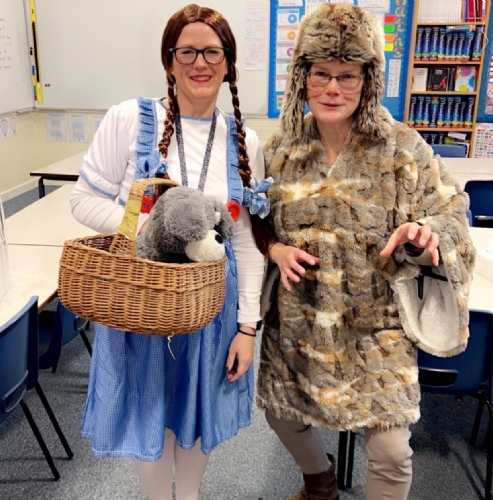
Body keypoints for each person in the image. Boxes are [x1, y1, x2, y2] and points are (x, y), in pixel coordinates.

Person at [255, 4, 476, 500]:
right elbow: (256, 222)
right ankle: (320, 481)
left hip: (376, 326)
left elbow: (452, 212)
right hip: (300, 323)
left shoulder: (402, 149)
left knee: (392, 452)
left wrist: (425, 235)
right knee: (279, 413)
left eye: (347, 75)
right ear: (303, 78)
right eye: (321, 74)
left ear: (367, 81)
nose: (333, 88)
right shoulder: (282, 150)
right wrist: (276, 249)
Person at [70, 5, 267, 499]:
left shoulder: (243, 140)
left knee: (197, 407)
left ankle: (190, 495)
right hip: (142, 298)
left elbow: (246, 242)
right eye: (187, 52)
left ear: (228, 64)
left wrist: (248, 328)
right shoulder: (129, 119)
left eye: (213, 52)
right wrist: (147, 229)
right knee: (148, 406)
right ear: (168, 60)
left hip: (210, 304)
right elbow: (83, 200)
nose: (200, 63)